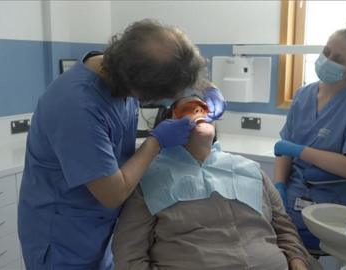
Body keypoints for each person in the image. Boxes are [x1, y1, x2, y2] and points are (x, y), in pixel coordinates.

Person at [18, 19, 226, 270]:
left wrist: (202, 85)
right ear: (138, 88)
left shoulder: (120, 65)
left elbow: (170, 61)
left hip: (102, 230)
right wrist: (156, 142)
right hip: (64, 240)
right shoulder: (77, 107)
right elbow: (113, 193)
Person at [112, 96, 312, 270]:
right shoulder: (148, 180)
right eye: (188, 108)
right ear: (169, 123)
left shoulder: (250, 170)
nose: (199, 111)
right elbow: (128, 253)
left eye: (204, 108)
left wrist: (298, 261)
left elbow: (285, 229)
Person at [274, 28, 346, 250]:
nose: (327, 60)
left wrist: (300, 151)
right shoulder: (303, 95)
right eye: (326, 52)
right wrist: (279, 186)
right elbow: (284, 151)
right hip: (292, 200)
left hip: (334, 208)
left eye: (338, 59)